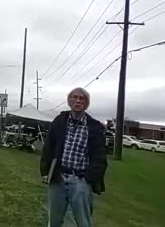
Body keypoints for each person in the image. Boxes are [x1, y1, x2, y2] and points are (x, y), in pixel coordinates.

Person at [40, 87, 107, 227]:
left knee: (83, 222)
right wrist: (45, 171)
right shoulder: (60, 120)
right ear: (69, 101)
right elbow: (49, 147)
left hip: (80, 181)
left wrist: (89, 178)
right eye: (74, 97)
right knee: (54, 221)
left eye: (82, 98)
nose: (78, 100)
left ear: (86, 103)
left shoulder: (94, 127)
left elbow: (100, 158)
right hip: (58, 178)